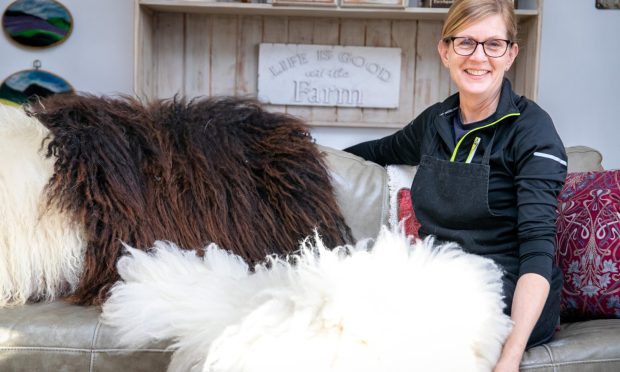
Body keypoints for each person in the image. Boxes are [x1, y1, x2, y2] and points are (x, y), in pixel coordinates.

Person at [344, 0, 566, 370]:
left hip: (506, 291)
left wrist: (510, 356)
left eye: (493, 44)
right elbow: (378, 151)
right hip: (437, 277)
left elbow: (538, 253)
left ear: (511, 54)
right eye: (465, 42)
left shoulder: (532, 131)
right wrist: (303, 156)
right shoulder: (436, 121)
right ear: (445, 51)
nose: (478, 56)